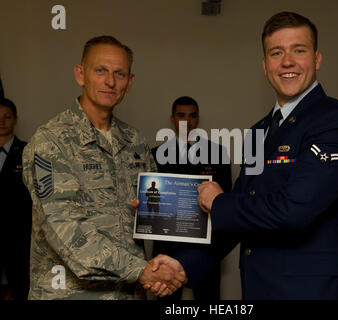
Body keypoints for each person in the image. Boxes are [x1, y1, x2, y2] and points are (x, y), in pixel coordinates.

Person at [149, 11, 338, 300]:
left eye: (298, 50)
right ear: (265, 65)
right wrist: (184, 265)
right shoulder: (258, 132)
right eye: (277, 52)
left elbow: (293, 211)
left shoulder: (335, 122)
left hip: (311, 291)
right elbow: (240, 214)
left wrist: (219, 201)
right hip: (259, 287)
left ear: (317, 59)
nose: (287, 61)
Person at [22, 35, 186, 300]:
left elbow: (159, 215)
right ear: (80, 74)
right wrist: (144, 271)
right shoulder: (50, 142)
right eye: (101, 71)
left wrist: (176, 257)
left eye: (119, 73)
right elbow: (64, 228)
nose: (110, 81)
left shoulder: (136, 141)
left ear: (129, 82)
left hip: (129, 293)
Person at [151, 96, 232, 300]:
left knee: (209, 299)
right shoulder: (156, 154)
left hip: (205, 245)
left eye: (192, 115)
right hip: (167, 244)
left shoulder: (217, 153)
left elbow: (226, 201)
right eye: (181, 115)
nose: (187, 121)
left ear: (198, 118)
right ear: (172, 119)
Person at [0, 98, 32, 300]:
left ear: (15, 119)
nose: (1, 122)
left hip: (19, 240)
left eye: (7, 117)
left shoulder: (29, 152)